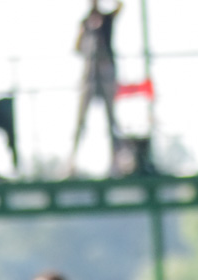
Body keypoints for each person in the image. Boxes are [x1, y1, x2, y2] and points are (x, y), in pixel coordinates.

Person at [69, 1, 123, 175]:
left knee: (111, 120)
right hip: (89, 75)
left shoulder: (107, 18)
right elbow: (77, 48)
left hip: (106, 74)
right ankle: (72, 162)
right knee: (80, 120)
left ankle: (116, 161)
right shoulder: (85, 21)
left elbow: (120, 7)